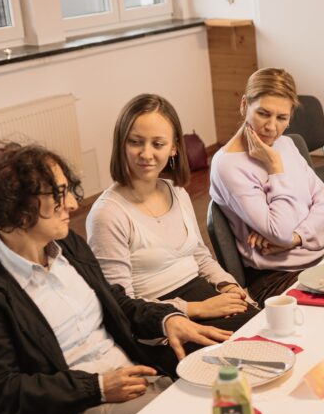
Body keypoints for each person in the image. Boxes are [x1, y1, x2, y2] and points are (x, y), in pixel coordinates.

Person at [0, 143, 229, 414]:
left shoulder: (64, 244)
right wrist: (97, 388)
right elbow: (3, 391)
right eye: (59, 194)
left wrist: (167, 318)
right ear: (17, 207)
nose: (72, 203)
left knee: (224, 399)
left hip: (127, 385)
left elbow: (114, 302)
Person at [88, 94, 258, 333]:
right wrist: (196, 308)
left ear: (174, 148)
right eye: (136, 142)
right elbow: (120, 305)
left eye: (158, 144)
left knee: (269, 330)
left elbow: (200, 257)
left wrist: (228, 286)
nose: (146, 154)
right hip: (160, 323)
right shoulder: (107, 215)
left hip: (203, 298)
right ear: (121, 144)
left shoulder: (177, 192)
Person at [210, 67, 324, 305]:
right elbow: (280, 231)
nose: (271, 127)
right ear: (244, 105)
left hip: (318, 258)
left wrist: (296, 238)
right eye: (263, 114)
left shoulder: (285, 144)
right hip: (277, 278)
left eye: (282, 118)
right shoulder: (228, 165)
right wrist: (275, 168)